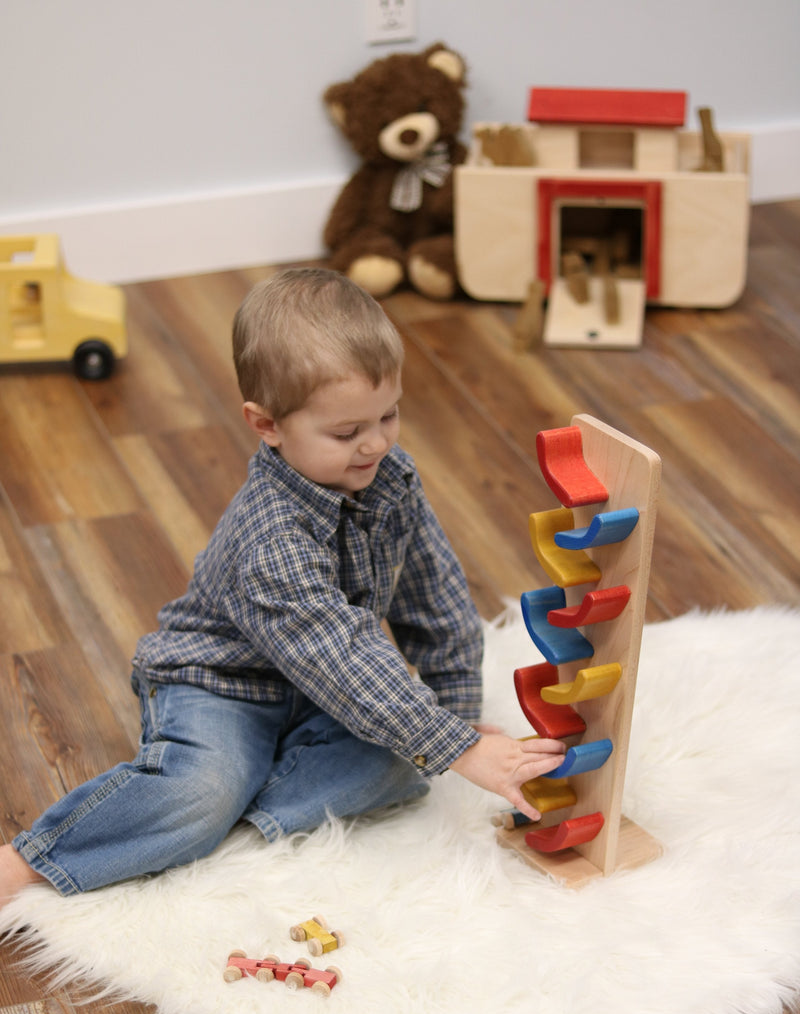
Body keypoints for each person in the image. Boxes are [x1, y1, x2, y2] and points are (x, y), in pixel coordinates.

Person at [0, 268, 564, 911]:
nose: (375, 442)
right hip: (221, 686)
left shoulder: (391, 477)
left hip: (316, 695)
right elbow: (341, 652)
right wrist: (457, 747)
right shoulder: (269, 536)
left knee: (407, 762)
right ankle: (30, 862)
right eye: (347, 433)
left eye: (389, 415)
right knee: (201, 792)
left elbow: (434, 596)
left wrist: (454, 717)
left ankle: (244, 811)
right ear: (267, 425)